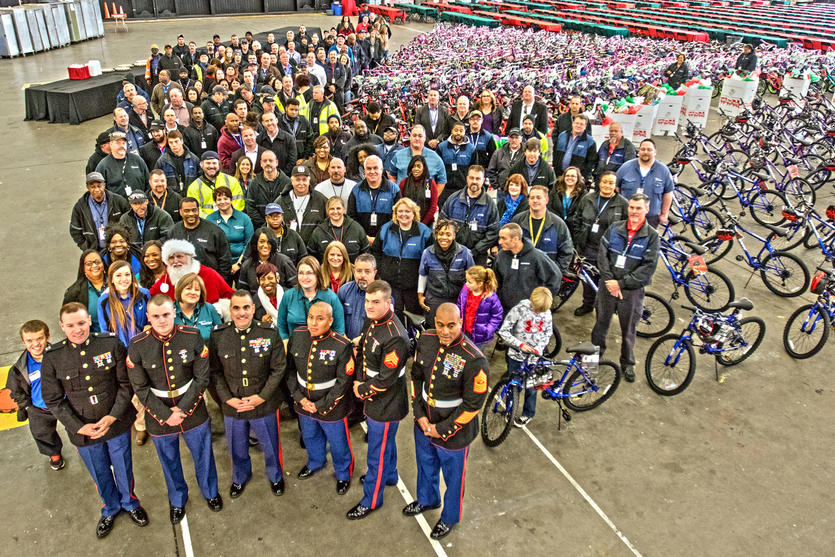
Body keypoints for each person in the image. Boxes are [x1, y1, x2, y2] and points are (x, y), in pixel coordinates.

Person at [41, 303, 148, 538]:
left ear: (89, 320)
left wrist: (112, 416)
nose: (77, 329)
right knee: (99, 472)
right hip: (84, 431)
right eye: (70, 325)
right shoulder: (53, 357)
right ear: (62, 326)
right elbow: (53, 399)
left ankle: (130, 503)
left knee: (124, 468)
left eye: (81, 323)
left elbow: (125, 384)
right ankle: (110, 508)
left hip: (116, 424)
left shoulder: (110, 344)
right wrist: (78, 427)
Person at [127, 295, 222, 524]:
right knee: (169, 461)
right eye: (156, 316)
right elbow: (139, 387)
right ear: (148, 317)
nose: (162, 320)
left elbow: (201, 378)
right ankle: (177, 499)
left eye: (166, 314)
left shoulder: (192, 336)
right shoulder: (138, 345)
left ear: (174, 313)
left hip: (192, 406)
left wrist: (183, 408)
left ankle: (210, 492)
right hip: (158, 412)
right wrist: (165, 414)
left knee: (203, 454)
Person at [405, 302, 488, 539]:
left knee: (453, 479)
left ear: (461, 323)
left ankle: (450, 517)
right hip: (424, 422)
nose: (445, 331)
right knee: (425, 464)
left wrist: (441, 429)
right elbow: (416, 376)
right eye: (440, 325)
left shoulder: (474, 359)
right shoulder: (426, 340)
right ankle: (427, 499)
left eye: (451, 325)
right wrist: (420, 414)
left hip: (454, 432)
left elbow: (473, 405)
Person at [209, 290, 287, 498]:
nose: (241, 312)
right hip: (233, 405)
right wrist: (228, 399)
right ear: (230, 310)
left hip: (264, 403)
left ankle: (276, 476)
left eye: (246, 307)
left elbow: (278, 369)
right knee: (236, 446)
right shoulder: (218, 336)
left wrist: (262, 397)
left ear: (253, 309)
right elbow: (214, 372)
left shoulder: (269, 333)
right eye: (236, 308)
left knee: (270, 445)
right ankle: (239, 477)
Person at [347, 280, 409, 520]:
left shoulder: (395, 337)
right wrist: (359, 379)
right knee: (386, 444)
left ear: (388, 302)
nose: (369, 306)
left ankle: (371, 499)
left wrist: (361, 389)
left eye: (375, 302)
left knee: (376, 453)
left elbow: (386, 379)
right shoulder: (372, 320)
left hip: (387, 402)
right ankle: (390, 474)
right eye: (367, 301)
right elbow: (363, 352)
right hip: (373, 393)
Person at [286, 301, 354, 495]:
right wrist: (299, 398)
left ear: (330, 321)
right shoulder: (298, 335)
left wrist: (321, 404)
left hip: (331, 406)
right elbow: (289, 371)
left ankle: (343, 474)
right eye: (310, 317)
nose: (313, 323)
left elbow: (343, 382)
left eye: (320, 319)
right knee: (310, 436)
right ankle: (315, 462)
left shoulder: (341, 345)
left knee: (338, 443)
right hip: (303, 402)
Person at [591, 193, 660, 381]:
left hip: (631, 291)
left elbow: (648, 268)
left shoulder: (652, 237)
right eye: (631, 207)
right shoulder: (615, 228)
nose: (634, 211)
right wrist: (609, 280)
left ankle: (627, 363)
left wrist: (621, 284)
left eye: (638, 208)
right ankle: (592, 359)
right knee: (600, 324)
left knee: (628, 329)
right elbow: (602, 255)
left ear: (647, 209)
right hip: (607, 286)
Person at [6, 320, 65, 470]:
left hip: (64, 404)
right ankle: (54, 453)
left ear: (47, 337)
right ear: (23, 341)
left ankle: (82, 448)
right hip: (38, 409)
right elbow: (16, 391)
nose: (35, 344)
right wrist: (26, 407)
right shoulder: (19, 368)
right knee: (42, 433)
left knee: (76, 427)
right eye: (29, 340)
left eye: (40, 338)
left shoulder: (61, 356)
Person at [571, 171, 629, 316]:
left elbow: (627, 228)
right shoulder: (588, 198)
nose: (607, 185)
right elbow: (577, 219)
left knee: (606, 280)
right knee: (588, 280)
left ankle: (603, 310)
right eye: (604, 182)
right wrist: (578, 238)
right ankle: (588, 304)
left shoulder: (622, 204)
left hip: (610, 251)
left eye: (611, 183)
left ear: (615, 185)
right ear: (599, 183)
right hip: (588, 247)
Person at [499, 287, 554, 427]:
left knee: (532, 387)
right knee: (513, 385)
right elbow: (503, 331)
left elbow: (548, 333)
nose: (538, 313)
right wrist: (520, 345)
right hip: (515, 356)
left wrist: (539, 348)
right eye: (536, 309)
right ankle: (510, 408)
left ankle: (528, 413)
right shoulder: (519, 309)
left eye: (541, 311)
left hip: (534, 358)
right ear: (531, 300)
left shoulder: (547, 313)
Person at [371, 198, 433, 320]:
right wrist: (381, 272)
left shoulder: (424, 232)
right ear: (395, 213)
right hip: (390, 284)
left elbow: (430, 259)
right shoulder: (386, 229)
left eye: (407, 211)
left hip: (414, 286)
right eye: (400, 211)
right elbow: (375, 252)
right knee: (393, 317)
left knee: (414, 318)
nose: (403, 214)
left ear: (414, 213)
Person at [492, 223, 562, 312]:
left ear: (515, 239)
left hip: (530, 311)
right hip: (505, 310)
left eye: (503, 238)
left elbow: (555, 277)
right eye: (500, 238)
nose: (499, 242)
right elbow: (496, 280)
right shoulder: (501, 256)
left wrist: (541, 302)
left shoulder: (537, 257)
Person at [440, 165, 500, 266]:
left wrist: (476, 250)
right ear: (467, 179)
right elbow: (442, 222)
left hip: (477, 256)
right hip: (452, 252)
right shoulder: (453, 199)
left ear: (483, 180)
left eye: (478, 178)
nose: (474, 181)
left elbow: (493, 232)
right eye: (472, 178)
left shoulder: (490, 205)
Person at [277, 256, 346, 343]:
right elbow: (281, 326)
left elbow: (339, 329)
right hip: (294, 346)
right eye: (301, 273)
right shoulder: (288, 296)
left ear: (317, 274)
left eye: (309, 273)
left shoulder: (331, 297)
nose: (304, 277)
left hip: (324, 346)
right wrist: (285, 342)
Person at [418, 219, 474, 322]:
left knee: (455, 326)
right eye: (441, 234)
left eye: (448, 234)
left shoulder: (465, 253)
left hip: (458, 298)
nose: (444, 237)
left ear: (454, 236)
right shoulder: (427, 253)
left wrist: (470, 298)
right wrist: (420, 295)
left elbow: (473, 277)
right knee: (434, 326)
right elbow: (423, 275)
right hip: (434, 298)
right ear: (436, 235)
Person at [151, 238, 234, 305]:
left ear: (190, 257)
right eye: (171, 258)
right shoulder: (166, 279)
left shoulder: (209, 274)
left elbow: (231, 296)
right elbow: (149, 295)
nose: (176, 261)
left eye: (179, 256)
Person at [168, 197, 232, 282]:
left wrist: (219, 280)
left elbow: (225, 259)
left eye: (194, 210)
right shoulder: (174, 231)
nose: (191, 214)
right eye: (187, 211)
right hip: (182, 281)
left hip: (209, 281)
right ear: (180, 212)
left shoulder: (214, 231)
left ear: (198, 210)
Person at [615, 139, 675, 228]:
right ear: (639, 151)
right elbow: (616, 189)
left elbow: (668, 194)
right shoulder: (625, 167)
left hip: (650, 219)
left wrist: (664, 214)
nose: (645, 152)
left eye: (649, 149)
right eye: (643, 149)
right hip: (626, 217)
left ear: (655, 152)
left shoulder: (663, 170)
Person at [513, 185, 573, 271]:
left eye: (538, 198)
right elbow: (507, 245)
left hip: (547, 274)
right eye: (532, 198)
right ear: (528, 200)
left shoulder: (558, 223)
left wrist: (556, 271)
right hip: (521, 273)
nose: (535, 200)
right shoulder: (517, 221)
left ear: (546, 200)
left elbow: (567, 251)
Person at [71, 172, 131, 251]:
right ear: (87, 187)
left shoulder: (119, 201)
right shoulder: (80, 206)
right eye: (93, 187)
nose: (96, 190)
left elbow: (130, 222)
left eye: (99, 186)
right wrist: (86, 247)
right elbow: (75, 229)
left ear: (104, 185)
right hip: (95, 251)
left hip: (117, 249)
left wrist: (125, 243)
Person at [96, 260, 150, 345]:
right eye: (118, 275)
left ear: (132, 276)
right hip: (119, 348)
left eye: (127, 274)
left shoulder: (144, 294)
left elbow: (150, 322)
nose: (124, 279)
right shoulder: (103, 301)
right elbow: (105, 331)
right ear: (111, 279)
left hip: (142, 346)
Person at [348, 155, 402, 240]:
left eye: (375, 168)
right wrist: (364, 236)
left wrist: (381, 237)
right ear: (364, 170)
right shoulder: (356, 190)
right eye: (369, 168)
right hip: (362, 239)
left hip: (387, 239)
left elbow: (398, 216)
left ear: (381, 169)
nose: (372, 171)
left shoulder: (394, 189)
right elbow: (351, 216)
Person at [206, 186, 255, 275]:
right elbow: (208, 244)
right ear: (215, 202)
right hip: (219, 266)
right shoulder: (210, 219)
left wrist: (239, 264)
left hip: (242, 264)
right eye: (219, 199)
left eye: (226, 198)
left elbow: (249, 243)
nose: (222, 202)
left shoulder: (244, 218)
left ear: (231, 200)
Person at [276, 165, 329, 244]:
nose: (301, 183)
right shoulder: (280, 201)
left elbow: (328, 224)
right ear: (292, 181)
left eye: (304, 180)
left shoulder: (321, 200)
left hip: (314, 248)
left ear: (309, 180)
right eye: (297, 180)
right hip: (289, 247)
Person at [185, 150, 245, 219]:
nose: (211, 166)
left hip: (231, 221)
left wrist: (228, 218)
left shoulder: (232, 181)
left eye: (214, 163)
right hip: (206, 223)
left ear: (219, 164)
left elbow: (239, 203)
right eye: (208, 163)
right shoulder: (194, 187)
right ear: (201, 165)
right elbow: (194, 209)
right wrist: (210, 221)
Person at [237, 226, 298, 293]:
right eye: (262, 242)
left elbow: (295, 289)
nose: (265, 245)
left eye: (269, 242)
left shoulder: (284, 262)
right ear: (255, 243)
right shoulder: (247, 265)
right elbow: (242, 292)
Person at [386, 125, 447, 192]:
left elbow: (442, 181)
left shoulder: (435, 157)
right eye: (414, 135)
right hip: (403, 198)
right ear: (410, 137)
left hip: (425, 198)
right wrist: (397, 194)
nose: (417, 138)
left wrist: (433, 196)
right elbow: (392, 177)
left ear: (425, 138)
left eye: (420, 136)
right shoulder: (398, 155)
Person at [457, 266, 503, 349]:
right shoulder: (465, 290)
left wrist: (488, 330)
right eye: (466, 281)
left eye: (470, 282)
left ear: (480, 284)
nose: (466, 284)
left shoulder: (491, 298)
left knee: (476, 354)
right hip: (464, 330)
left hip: (480, 336)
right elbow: (460, 304)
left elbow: (497, 316)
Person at [63, 250, 107, 331]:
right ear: (83, 268)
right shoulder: (74, 293)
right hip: (93, 337)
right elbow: (67, 320)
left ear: (103, 264)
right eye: (89, 264)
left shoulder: (115, 282)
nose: (94, 265)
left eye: (97, 262)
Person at [96, 132, 150, 199]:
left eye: (124, 143)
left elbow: (148, 183)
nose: (121, 146)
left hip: (139, 203)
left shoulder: (137, 160)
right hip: (116, 204)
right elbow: (99, 190)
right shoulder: (103, 165)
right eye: (118, 143)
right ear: (111, 144)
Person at [337, 253, 377, 341]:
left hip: (369, 344)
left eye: (367, 271)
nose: (362, 275)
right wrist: (342, 336)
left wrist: (362, 340)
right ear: (354, 272)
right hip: (344, 343)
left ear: (374, 273)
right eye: (359, 271)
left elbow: (383, 327)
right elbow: (336, 319)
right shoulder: (344, 290)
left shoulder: (382, 295)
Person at [437, 122, 476, 208]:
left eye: (461, 131)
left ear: (464, 132)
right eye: (456, 130)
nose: (458, 133)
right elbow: (437, 168)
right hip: (445, 188)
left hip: (463, 188)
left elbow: (474, 170)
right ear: (452, 131)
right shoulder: (441, 147)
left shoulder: (471, 149)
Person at [553, 114, 598, 183]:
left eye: (581, 124)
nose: (578, 126)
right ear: (573, 123)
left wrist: (584, 177)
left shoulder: (590, 142)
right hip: (560, 176)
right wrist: (555, 167)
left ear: (585, 126)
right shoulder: (562, 135)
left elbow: (591, 162)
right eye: (577, 123)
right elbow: (555, 153)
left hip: (576, 179)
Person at [398, 155, 439, 227]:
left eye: (419, 166)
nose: (416, 169)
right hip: (406, 223)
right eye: (413, 166)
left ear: (424, 168)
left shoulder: (431, 183)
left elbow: (433, 206)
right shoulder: (404, 182)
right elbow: (399, 203)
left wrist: (422, 224)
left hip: (426, 224)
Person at [156, 130, 201, 195]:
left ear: (181, 141)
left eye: (176, 141)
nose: (174, 145)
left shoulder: (194, 159)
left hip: (191, 195)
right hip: (171, 197)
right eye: (171, 142)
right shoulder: (162, 161)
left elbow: (200, 179)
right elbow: (157, 180)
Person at [258, 112, 298, 176]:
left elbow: (292, 161)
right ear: (263, 123)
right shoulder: (259, 139)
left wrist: (280, 175)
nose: (270, 123)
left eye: (271, 120)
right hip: (265, 176)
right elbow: (259, 160)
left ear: (276, 120)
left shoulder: (289, 138)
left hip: (284, 176)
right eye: (267, 121)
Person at [487, 128, 524, 193]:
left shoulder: (526, 153)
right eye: (512, 137)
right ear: (508, 138)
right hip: (502, 191)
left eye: (516, 137)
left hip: (520, 191)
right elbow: (491, 170)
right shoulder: (499, 152)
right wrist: (496, 186)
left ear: (521, 138)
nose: (514, 140)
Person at [278, 98, 314, 164]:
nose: (294, 112)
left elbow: (310, 139)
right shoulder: (279, 122)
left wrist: (304, 158)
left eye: (296, 110)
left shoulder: (304, 121)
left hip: (301, 159)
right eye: (291, 109)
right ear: (286, 108)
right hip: (285, 159)